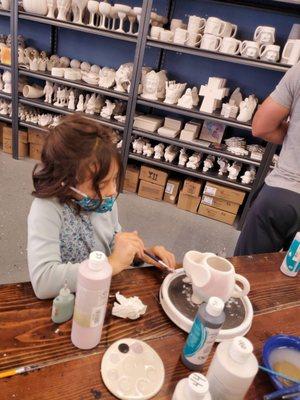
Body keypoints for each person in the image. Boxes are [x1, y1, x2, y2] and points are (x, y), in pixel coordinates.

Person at [27, 115, 176, 299]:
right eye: (102, 184)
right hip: (66, 302)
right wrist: (110, 264)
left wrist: (141, 255)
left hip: (100, 295)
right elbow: (43, 281)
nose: (112, 191)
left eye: (114, 180)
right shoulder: (46, 209)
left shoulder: (105, 203)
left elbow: (112, 243)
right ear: (66, 180)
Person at [234, 62, 300, 256]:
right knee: (293, 283)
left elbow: (262, 127)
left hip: (284, 193)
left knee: (246, 272)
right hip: (285, 193)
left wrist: (292, 134)